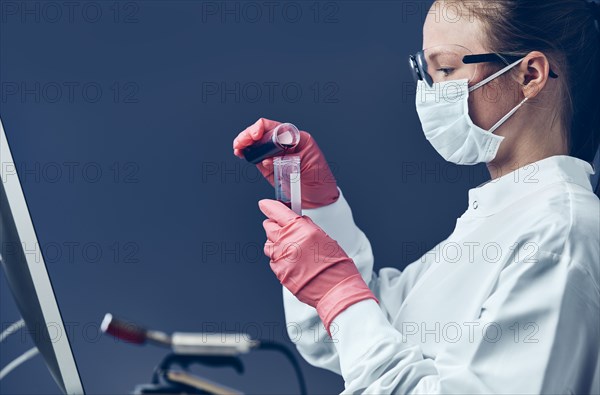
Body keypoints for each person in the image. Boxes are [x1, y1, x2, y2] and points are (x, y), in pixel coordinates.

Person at [232, 0, 600, 393]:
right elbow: (343, 337)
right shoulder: (499, 223)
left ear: (530, 75)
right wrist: (319, 208)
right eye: (425, 71)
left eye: (445, 69)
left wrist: (338, 290)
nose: (430, 91)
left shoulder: (561, 232)